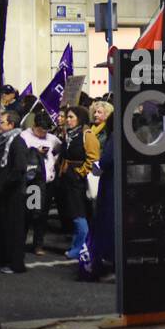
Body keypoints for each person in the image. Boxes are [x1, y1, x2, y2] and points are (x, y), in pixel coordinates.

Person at [58, 105, 100, 261]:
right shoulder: (69, 135)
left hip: (78, 180)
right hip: (67, 178)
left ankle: (80, 248)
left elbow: (94, 158)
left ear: (80, 118)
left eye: (71, 117)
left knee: (79, 214)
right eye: (67, 117)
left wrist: (79, 172)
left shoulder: (87, 135)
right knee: (74, 214)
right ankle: (77, 246)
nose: (67, 120)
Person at [22, 112, 60, 254]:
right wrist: (35, 152)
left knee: (43, 214)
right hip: (34, 182)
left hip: (48, 182)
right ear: (34, 126)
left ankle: (38, 244)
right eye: (40, 130)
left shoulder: (52, 138)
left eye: (45, 131)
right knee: (31, 212)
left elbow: (58, 151)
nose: (43, 134)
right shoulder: (25, 137)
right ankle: (22, 242)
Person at [0, 111, 29, 274]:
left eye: (2, 122)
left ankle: (14, 262)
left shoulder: (17, 142)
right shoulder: (2, 141)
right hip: (3, 192)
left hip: (13, 193)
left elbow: (19, 169)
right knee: (2, 228)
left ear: (11, 125)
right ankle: (2, 259)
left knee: (13, 229)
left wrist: (3, 185)